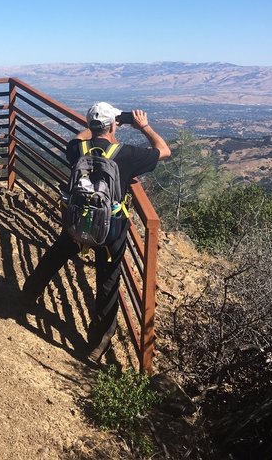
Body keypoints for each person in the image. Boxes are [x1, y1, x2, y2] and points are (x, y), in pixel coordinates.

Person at [21, 102, 171, 364]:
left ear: (91, 126)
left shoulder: (78, 150)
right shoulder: (125, 154)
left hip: (78, 222)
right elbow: (164, 150)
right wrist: (143, 126)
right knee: (108, 282)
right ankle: (96, 344)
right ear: (113, 125)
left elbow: (77, 139)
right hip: (110, 229)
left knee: (56, 255)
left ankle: (26, 296)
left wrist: (93, 128)